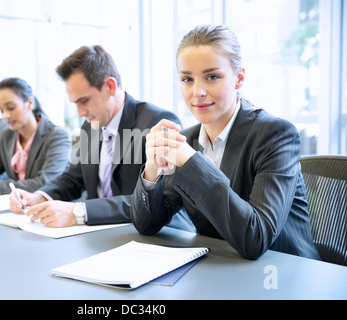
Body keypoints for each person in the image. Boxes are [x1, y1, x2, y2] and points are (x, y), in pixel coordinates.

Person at [130, 24, 321, 261]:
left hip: (285, 274)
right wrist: (152, 170)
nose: (197, 91)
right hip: (222, 268)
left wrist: (190, 162)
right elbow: (146, 224)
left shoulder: (274, 134)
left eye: (212, 77)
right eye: (187, 79)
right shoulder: (188, 139)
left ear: (239, 77)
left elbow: (256, 238)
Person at [9, 45, 182, 228]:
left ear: (110, 86)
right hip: (97, 235)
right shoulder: (90, 126)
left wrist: (80, 212)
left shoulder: (157, 123)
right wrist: (39, 197)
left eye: (84, 101)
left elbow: (157, 200)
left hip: (150, 236)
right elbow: (72, 179)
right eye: (75, 103)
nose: (80, 112)